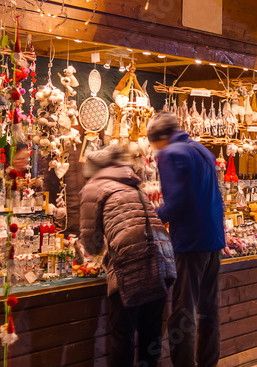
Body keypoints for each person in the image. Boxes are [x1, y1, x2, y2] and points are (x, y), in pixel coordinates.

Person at [80, 144, 175, 367]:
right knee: (150, 333)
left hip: (132, 262)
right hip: (164, 258)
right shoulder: (133, 186)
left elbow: (90, 239)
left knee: (123, 334)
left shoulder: (93, 188)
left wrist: (91, 255)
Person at [147, 112, 225, 367]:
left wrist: (152, 217)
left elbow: (177, 201)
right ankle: (208, 362)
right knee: (208, 310)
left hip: (191, 240)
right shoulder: (200, 149)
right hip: (213, 238)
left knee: (183, 312)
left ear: (159, 138)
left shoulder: (171, 153)